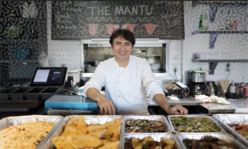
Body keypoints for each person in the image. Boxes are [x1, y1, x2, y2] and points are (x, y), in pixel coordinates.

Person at [83, 29, 188, 115]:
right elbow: (90, 86)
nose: (122, 48)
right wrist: (100, 98)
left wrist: (168, 108)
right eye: (118, 43)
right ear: (112, 46)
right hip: (114, 119)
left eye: (127, 44)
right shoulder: (104, 66)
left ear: (132, 47)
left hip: (140, 119)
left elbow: (152, 87)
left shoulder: (141, 64)